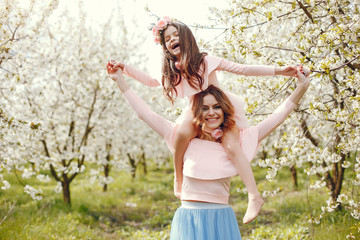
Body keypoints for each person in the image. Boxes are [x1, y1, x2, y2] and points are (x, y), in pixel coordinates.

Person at [108, 16, 300, 223]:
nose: (172, 39)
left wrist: (278, 71)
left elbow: (243, 70)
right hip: (196, 111)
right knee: (181, 133)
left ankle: (254, 195)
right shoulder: (174, 71)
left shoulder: (206, 61)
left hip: (219, 108)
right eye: (167, 39)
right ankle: (177, 177)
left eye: (176, 35)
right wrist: (124, 69)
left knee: (232, 146)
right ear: (165, 48)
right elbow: (152, 81)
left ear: (186, 38)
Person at [106, 61, 310, 239]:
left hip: (220, 220)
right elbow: (145, 113)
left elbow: (277, 117)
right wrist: (120, 81)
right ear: (197, 112)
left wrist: (301, 86)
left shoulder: (235, 143)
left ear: (224, 110)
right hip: (188, 221)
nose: (211, 113)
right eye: (205, 108)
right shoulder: (183, 139)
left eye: (216, 107)